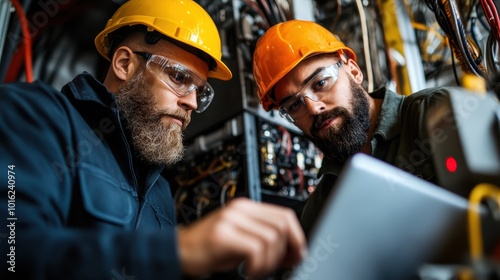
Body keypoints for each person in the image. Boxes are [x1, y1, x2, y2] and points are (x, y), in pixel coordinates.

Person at [0, 1, 307, 279]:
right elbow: (11, 253)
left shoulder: (160, 191)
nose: (190, 102)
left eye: (199, 91)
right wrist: (178, 250)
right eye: (179, 77)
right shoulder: (35, 116)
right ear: (124, 64)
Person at [252, 19, 451, 238]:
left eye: (320, 83)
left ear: (354, 71)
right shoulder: (321, 211)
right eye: (294, 105)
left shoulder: (434, 115)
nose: (314, 108)